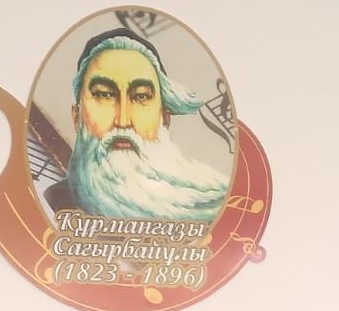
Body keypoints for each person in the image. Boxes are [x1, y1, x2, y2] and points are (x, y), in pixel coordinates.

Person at [42, 27, 230, 221]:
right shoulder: (52, 206)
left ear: (165, 120)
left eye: (141, 97)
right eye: (104, 94)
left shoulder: (213, 205)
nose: (123, 120)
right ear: (77, 118)